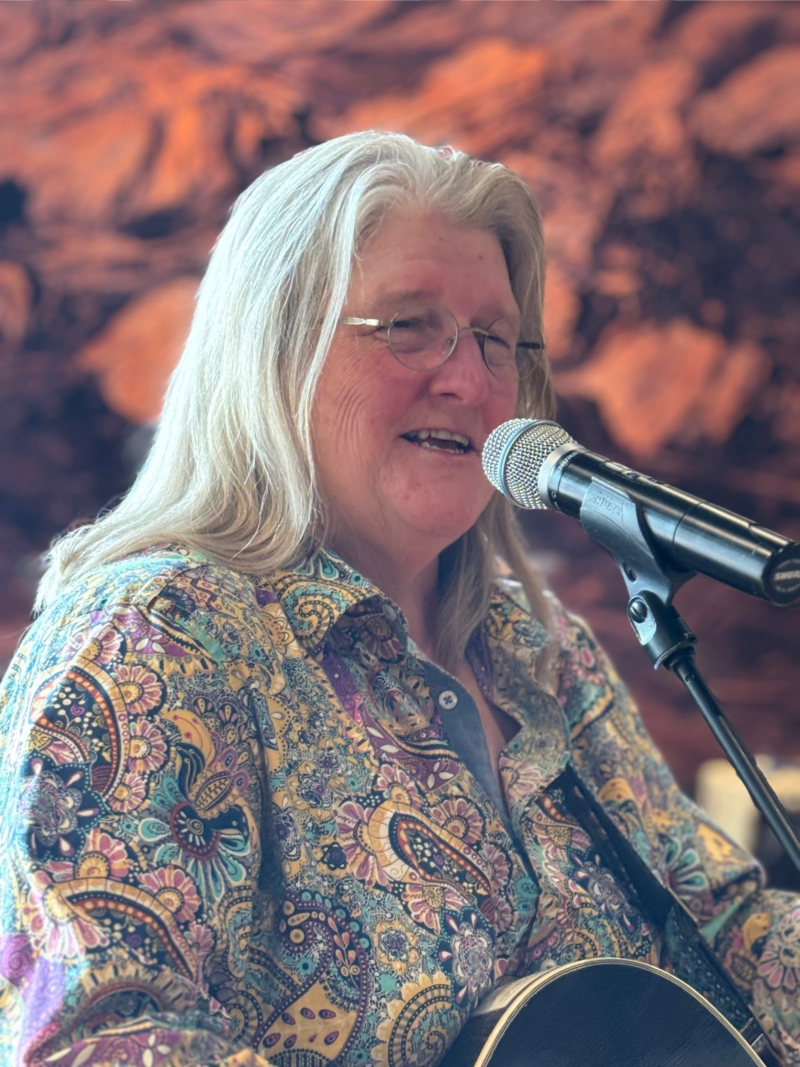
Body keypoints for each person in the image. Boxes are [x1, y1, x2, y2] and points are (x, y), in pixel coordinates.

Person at [0, 130, 798, 1067]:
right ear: (276, 349)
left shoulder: (539, 648)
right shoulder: (155, 638)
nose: (468, 378)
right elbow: (97, 1040)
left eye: (495, 339)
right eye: (410, 325)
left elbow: (726, 932)